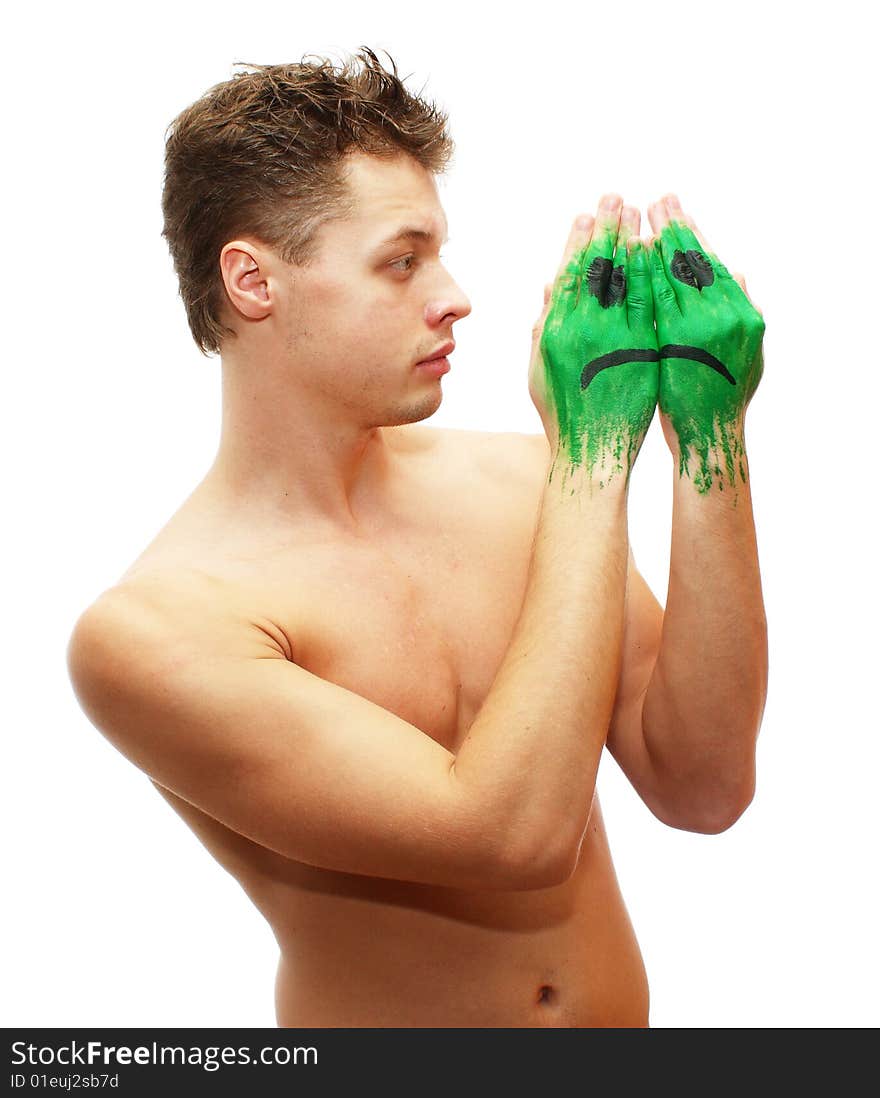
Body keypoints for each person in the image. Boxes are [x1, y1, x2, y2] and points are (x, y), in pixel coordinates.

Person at [65, 47, 768, 1028]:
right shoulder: (155, 633)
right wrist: (595, 453)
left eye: (437, 251)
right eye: (401, 261)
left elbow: (702, 785)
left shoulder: (525, 483)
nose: (453, 295)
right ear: (253, 281)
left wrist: (710, 442)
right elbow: (509, 835)